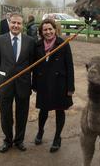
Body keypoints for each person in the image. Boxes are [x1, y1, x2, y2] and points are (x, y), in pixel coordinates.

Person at [0, 12, 35, 153]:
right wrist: (4, 74)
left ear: (22, 25)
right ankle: (7, 140)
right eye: (13, 22)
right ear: (9, 23)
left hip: (23, 84)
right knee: (5, 114)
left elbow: (32, 62)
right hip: (5, 84)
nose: (16, 25)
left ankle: (19, 140)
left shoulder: (30, 41)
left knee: (22, 114)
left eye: (19, 23)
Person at [32, 18, 75, 153]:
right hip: (44, 83)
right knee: (43, 110)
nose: (48, 32)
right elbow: (34, 67)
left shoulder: (63, 44)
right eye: (45, 29)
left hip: (59, 84)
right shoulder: (37, 45)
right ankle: (40, 132)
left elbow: (70, 66)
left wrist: (70, 87)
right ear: (41, 31)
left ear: (55, 30)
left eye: (50, 29)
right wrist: (35, 84)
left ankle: (57, 138)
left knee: (59, 110)